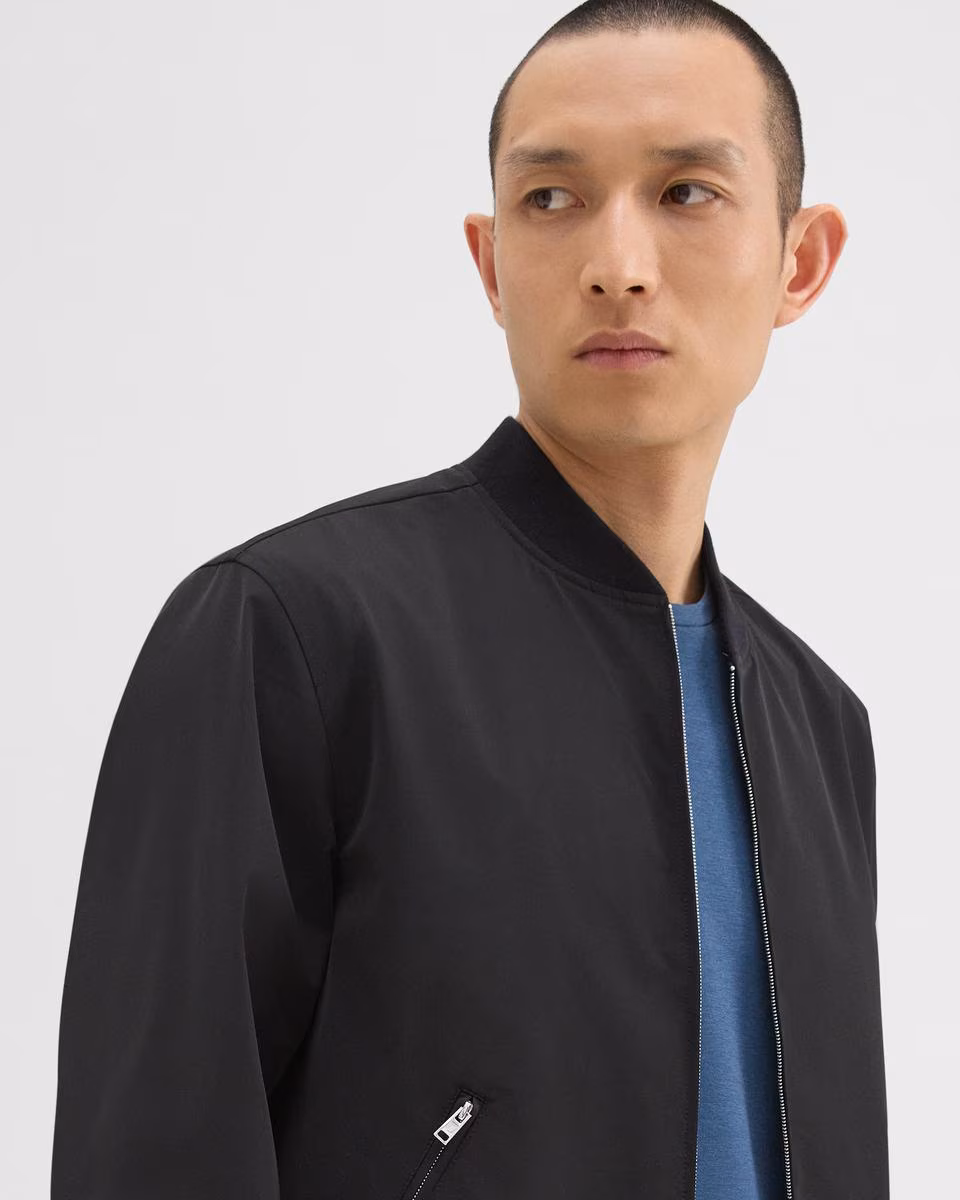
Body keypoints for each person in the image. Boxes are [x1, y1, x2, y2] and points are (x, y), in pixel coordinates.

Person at [51, 2, 888, 1198]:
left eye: (687, 192)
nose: (617, 263)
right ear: (492, 265)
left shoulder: (822, 726)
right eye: (552, 198)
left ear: (799, 261)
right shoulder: (290, 635)